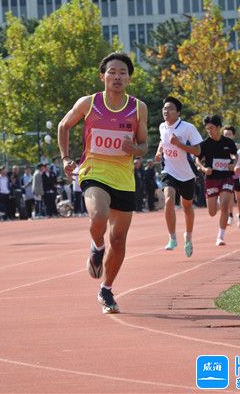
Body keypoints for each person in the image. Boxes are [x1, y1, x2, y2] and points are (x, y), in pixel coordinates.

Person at [57, 52, 148, 314]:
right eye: (112, 72)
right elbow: (63, 126)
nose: (117, 77)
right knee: (98, 215)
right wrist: (65, 158)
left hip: (124, 179)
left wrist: (134, 149)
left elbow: (144, 146)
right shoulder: (89, 103)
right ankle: (97, 246)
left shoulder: (138, 108)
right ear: (102, 76)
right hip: (93, 171)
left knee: (118, 240)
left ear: (129, 78)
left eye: (122, 73)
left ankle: (106, 289)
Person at [154, 96, 203, 256]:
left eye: (170, 109)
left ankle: (188, 237)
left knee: (187, 206)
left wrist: (179, 144)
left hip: (187, 173)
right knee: (168, 199)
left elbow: (197, 151)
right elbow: (162, 141)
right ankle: (172, 237)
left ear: (178, 112)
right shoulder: (162, 126)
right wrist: (159, 152)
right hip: (169, 170)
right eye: (164, 108)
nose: (166, 111)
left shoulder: (188, 128)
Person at [195, 115, 237, 246]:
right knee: (212, 212)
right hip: (211, 179)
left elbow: (235, 155)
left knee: (225, 205)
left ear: (219, 127)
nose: (209, 131)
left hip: (226, 177)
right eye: (207, 129)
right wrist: (203, 168)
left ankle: (220, 236)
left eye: (212, 128)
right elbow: (197, 159)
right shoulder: (205, 144)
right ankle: (218, 201)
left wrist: (234, 164)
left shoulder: (228, 142)